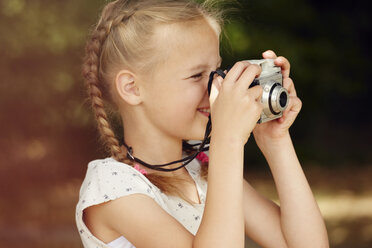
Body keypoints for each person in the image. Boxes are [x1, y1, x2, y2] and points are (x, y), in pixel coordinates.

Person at [75, 0, 329, 247]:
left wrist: (275, 140)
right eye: (197, 75)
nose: (217, 86)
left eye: (217, 70)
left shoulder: (201, 167)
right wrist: (227, 141)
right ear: (132, 88)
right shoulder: (112, 188)